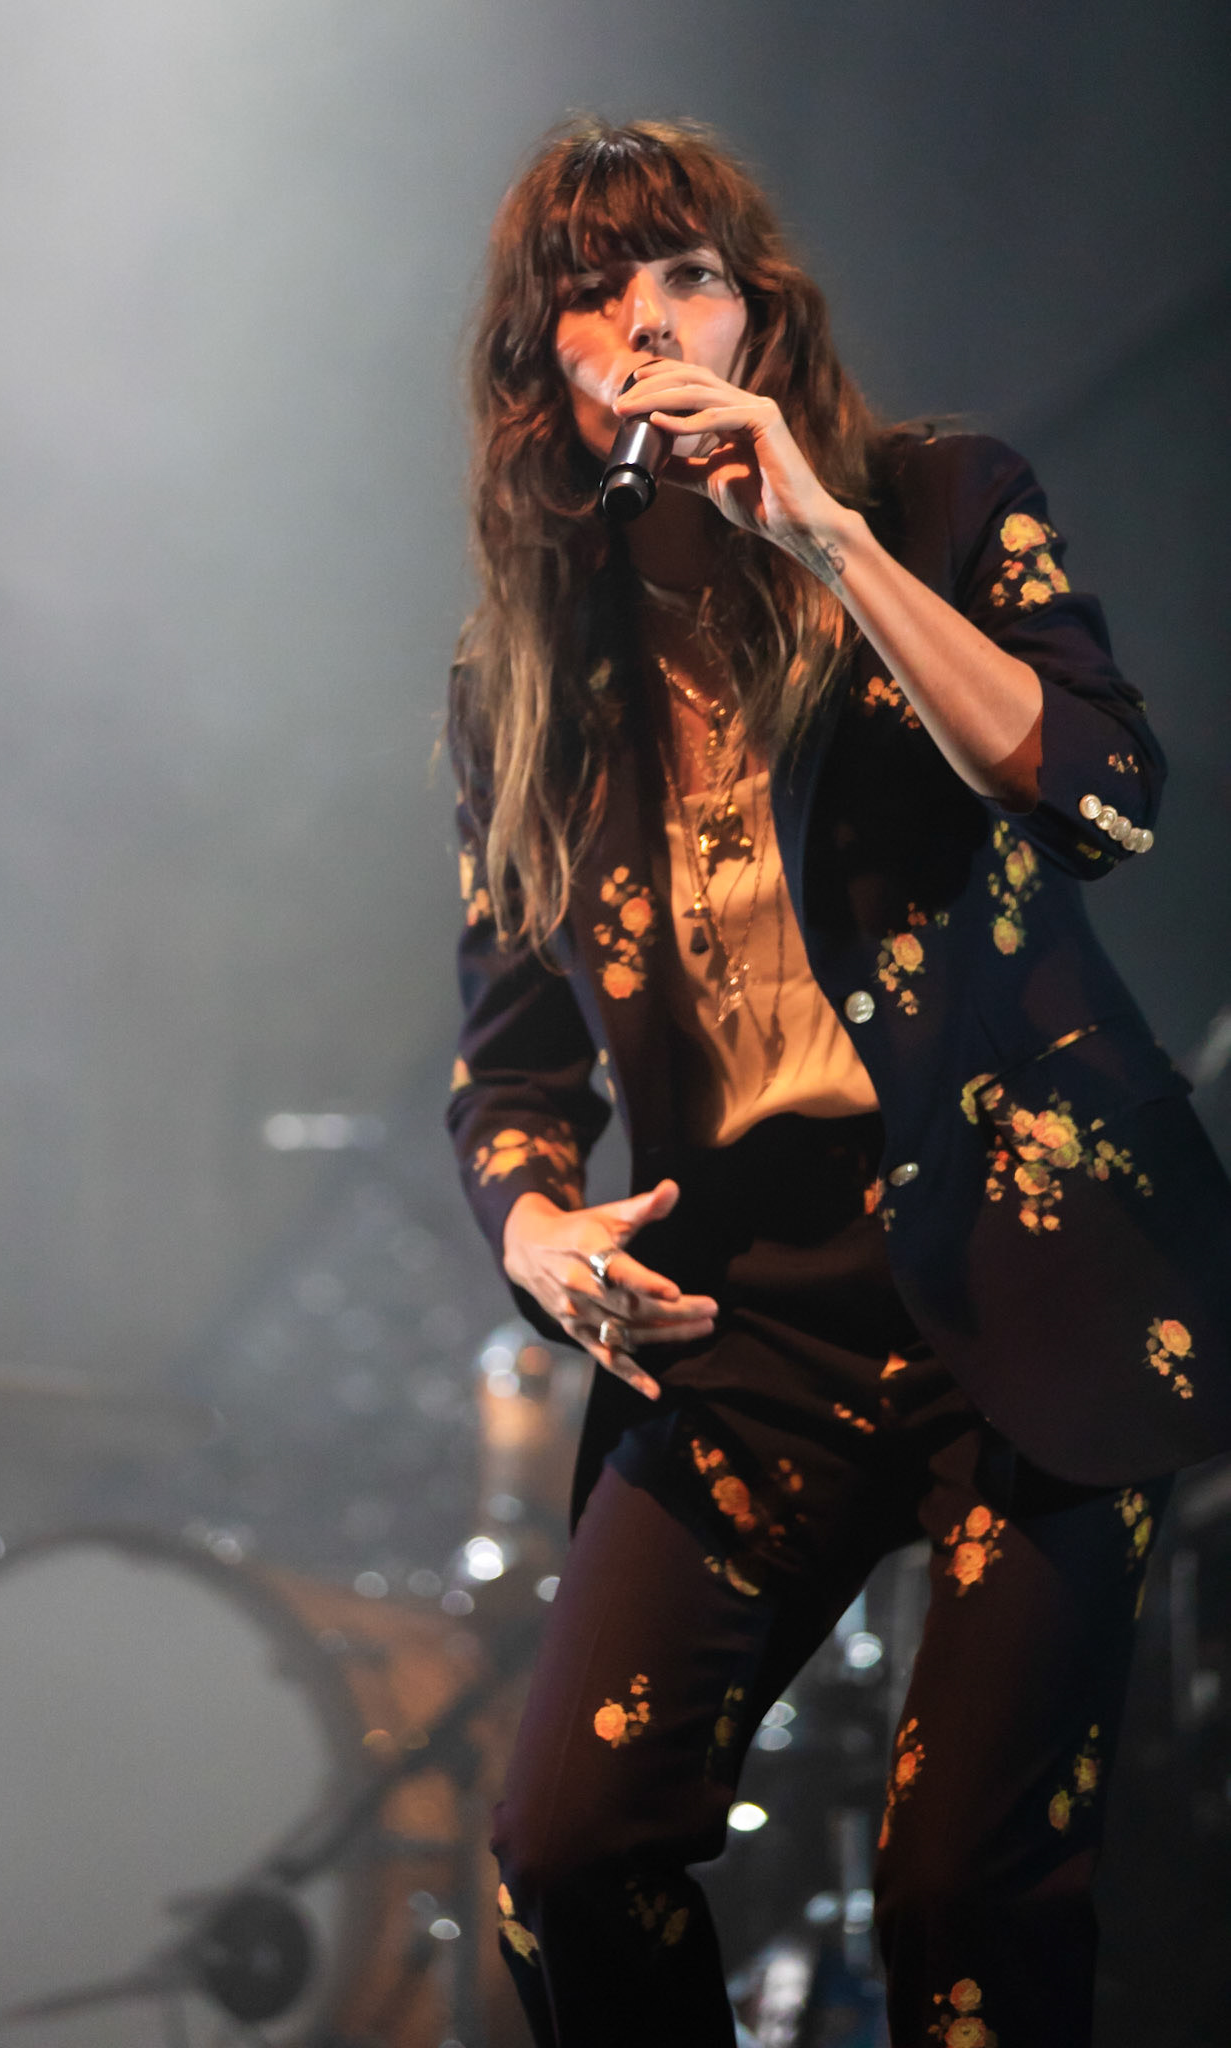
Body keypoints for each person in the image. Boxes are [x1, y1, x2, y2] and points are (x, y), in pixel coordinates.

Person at [444, 116, 1231, 2048]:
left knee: (961, 1891)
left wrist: (825, 533)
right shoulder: (527, 681)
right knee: (561, 1853)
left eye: (688, 273)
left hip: (1028, 1275)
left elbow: (1106, 795)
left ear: (759, 312)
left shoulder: (940, 499)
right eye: (594, 293)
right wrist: (539, 1232)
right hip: (743, 1320)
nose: (650, 320)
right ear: (548, 378)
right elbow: (507, 1066)